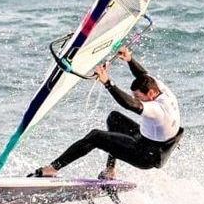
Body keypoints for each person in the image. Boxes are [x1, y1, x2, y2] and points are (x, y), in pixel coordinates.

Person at [31, 45, 183, 180]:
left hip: (146, 155)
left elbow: (130, 104)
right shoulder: (161, 91)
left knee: (95, 136)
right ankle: (110, 170)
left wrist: (107, 82)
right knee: (114, 118)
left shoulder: (158, 110)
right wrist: (130, 60)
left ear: (150, 93)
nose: (135, 98)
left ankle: (52, 168)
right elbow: (143, 75)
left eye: (138, 96)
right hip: (148, 140)